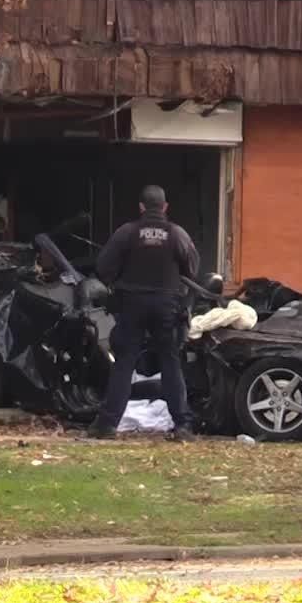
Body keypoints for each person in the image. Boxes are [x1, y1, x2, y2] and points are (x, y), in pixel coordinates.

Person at [89, 185, 200, 441]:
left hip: (132, 303)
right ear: (165, 207)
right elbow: (192, 267)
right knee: (170, 362)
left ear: (141, 208)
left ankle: (106, 425)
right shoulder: (177, 234)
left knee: (125, 363)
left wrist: (119, 281)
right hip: (167, 305)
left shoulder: (127, 233)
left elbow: (103, 267)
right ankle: (183, 426)